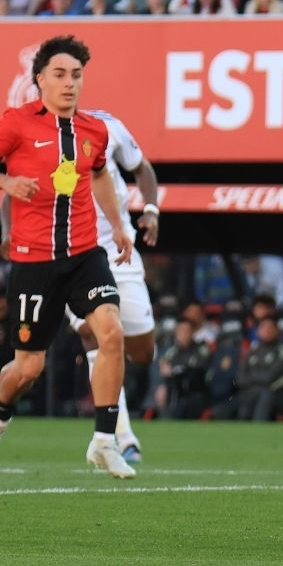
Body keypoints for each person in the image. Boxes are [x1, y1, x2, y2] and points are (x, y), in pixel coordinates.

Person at [0, 36, 136, 478]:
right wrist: (7, 185)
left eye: (76, 75)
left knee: (112, 332)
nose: (69, 83)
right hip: (34, 259)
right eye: (59, 74)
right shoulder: (16, 124)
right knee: (28, 368)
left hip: (83, 253)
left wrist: (117, 225)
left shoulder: (94, 130)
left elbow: (99, 178)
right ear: (39, 79)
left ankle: (104, 439)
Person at [66, 109, 160, 465]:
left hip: (119, 250)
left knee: (142, 351)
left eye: (74, 75)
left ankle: (116, 437)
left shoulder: (108, 126)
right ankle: (119, 435)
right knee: (99, 334)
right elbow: (13, 192)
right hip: (71, 253)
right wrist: (9, 233)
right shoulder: (35, 133)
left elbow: (143, 168)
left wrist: (150, 209)